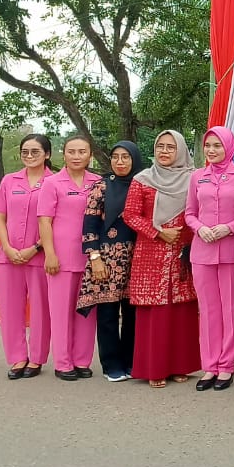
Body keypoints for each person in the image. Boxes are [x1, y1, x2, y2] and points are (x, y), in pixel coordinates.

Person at [122, 130, 202, 388]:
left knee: (181, 310)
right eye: (160, 146)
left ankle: (180, 366)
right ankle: (154, 368)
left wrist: (185, 237)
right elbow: (130, 215)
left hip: (183, 249)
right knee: (155, 311)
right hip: (151, 251)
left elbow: (198, 210)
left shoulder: (193, 178)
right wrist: (158, 232)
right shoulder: (142, 179)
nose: (165, 151)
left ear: (180, 150)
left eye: (170, 147)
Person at [186, 126, 234, 391]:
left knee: (230, 311)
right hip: (202, 252)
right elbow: (189, 212)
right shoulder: (196, 177)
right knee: (208, 312)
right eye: (208, 146)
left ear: (229, 147)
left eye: (218, 146)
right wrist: (199, 227)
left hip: (230, 253)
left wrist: (229, 227)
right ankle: (209, 366)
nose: (212, 151)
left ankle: (226, 366)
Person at [77, 141, 144, 382]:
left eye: (126, 157)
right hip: (106, 259)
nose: (120, 162)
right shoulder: (102, 186)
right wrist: (94, 257)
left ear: (135, 159)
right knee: (107, 313)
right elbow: (90, 224)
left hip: (137, 258)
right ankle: (111, 364)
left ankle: (130, 361)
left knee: (132, 313)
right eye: (115, 157)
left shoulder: (143, 184)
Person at [38, 135, 102, 381]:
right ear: (63, 155)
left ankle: (82, 360)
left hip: (91, 256)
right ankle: (63, 362)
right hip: (61, 257)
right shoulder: (52, 183)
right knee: (60, 311)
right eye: (71, 152)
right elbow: (44, 220)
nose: (77, 156)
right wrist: (50, 253)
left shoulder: (98, 183)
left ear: (90, 155)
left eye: (82, 152)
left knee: (86, 311)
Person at [0, 134, 54, 379]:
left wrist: (35, 248)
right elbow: (0, 217)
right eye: (25, 152)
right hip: (9, 256)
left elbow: (55, 222)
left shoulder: (54, 182)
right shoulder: (9, 181)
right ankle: (17, 358)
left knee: (40, 310)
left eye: (35, 152)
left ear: (47, 154)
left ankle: (37, 358)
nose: (29, 156)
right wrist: (6, 247)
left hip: (39, 256)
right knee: (9, 309)